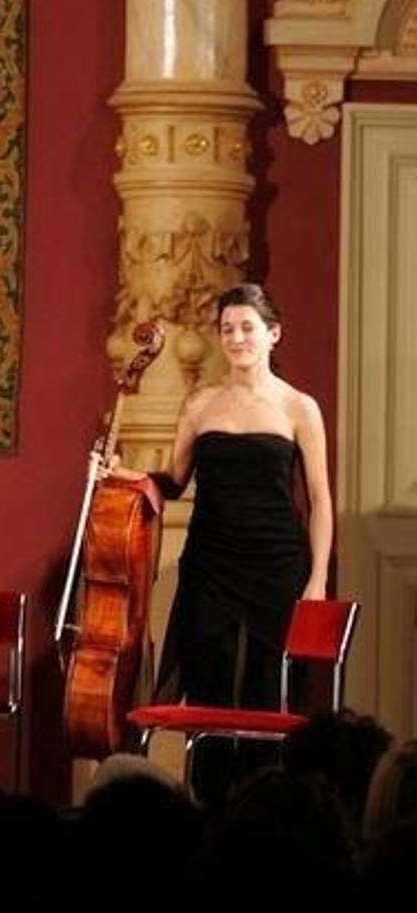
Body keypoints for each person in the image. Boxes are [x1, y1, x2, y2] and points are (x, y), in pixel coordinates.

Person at [104, 282, 332, 804]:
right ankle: (206, 809)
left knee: (265, 692)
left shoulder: (300, 408)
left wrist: (316, 579)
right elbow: (173, 482)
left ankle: (264, 807)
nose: (235, 338)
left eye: (247, 328)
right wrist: (123, 473)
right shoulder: (201, 402)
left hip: (277, 563)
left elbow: (319, 500)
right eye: (227, 329)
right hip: (210, 561)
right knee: (206, 684)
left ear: (273, 334)